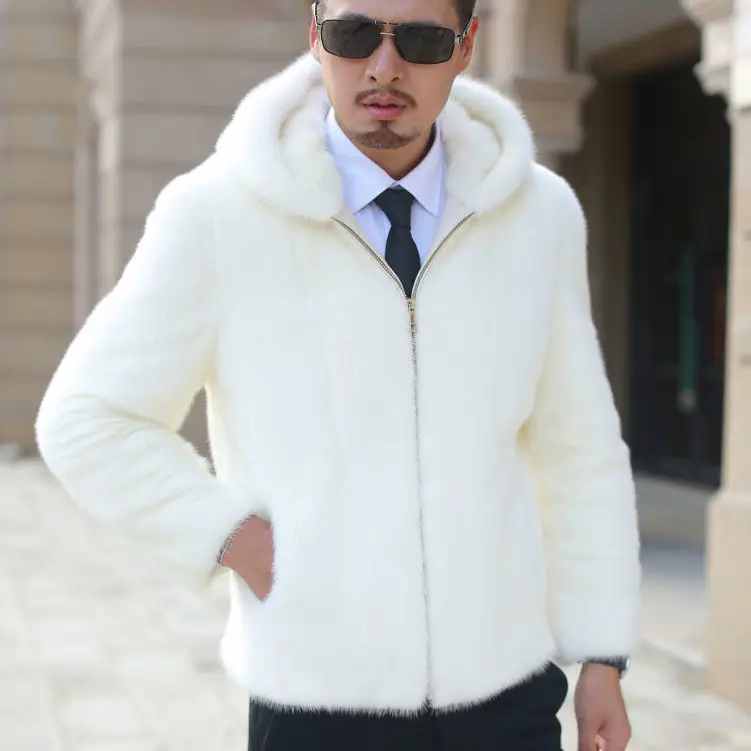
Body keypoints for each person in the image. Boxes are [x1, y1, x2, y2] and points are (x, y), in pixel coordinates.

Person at [36, 0, 642, 749]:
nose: (384, 68)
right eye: (354, 34)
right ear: (315, 36)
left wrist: (602, 653)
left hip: (507, 692)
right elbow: (87, 416)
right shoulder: (217, 212)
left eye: (420, 40)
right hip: (316, 700)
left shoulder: (538, 214)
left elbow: (578, 446)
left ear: (465, 47)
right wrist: (240, 542)